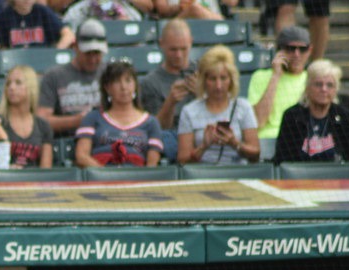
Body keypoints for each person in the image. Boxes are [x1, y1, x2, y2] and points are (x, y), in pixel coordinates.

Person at [177, 45, 259, 165]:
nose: (218, 86)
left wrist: (234, 143)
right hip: (202, 173)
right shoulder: (189, 111)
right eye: (212, 79)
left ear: (231, 80)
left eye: (223, 78)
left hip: (237, 170)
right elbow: (183, 160)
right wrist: (204, 146)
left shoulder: (243, 107)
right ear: (204, 80)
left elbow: (256, 154)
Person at [75, 60, 163, 167]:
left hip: (137, 174)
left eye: (128, 81)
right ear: (107, 88)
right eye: (117, 82)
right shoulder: (92, 118)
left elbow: (152, 165)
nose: (123, 87)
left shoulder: (151, 122)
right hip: (101, 173)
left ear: (135, 85)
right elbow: (82, 156)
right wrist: (104, 173)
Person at [273, 59, 349, 164]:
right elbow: (283, 160)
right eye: (318, 84)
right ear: (307, 87)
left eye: (330, 85)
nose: (324, 89)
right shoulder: (292, 116)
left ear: (336, 89)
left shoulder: (345, 117)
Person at [36, 18, 106, 138]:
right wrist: (77, 121)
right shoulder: (54, 76)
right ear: (75, 47)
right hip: (67, 139)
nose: (93, 59)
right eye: (88, 53)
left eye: (97, 53)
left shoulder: (109, 74)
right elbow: (41, 120)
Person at [139, 18, 194, 163]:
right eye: (173, 49)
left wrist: (203, 95)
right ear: (161, 44)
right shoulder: (150, 82)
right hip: (169, 139)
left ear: (191, 42)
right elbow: (156, 130)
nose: (179, 55)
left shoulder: (204, 73)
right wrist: (170, 102)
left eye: (183, 49)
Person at [248, 24, 310, 143]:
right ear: (280, 50)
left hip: (302, 139)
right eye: (291, 49)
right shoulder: (260, 76)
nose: (297, 54)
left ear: (309, 50)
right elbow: (258, 121)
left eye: (302, 49)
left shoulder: (312, 79)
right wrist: (275, 76)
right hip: (269, 138)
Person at [0, 64, 52, 168]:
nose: (11, 87)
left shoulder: (43, 126)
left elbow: (46, 169)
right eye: (8, 83)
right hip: (6, 177)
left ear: (31, 87)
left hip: (35, 178)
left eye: (18, 83)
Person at [0, 0, 74, 49]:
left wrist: (55, 52)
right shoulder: (4, 17)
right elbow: (2, 46)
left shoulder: (43, 12)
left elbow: (68, 35)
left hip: (42, 59)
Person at [154, 0, 231, 20]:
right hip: (176, 24)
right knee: (194, 9)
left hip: (211, 22)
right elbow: (162, 11)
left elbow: (232, 2)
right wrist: (179, 7)